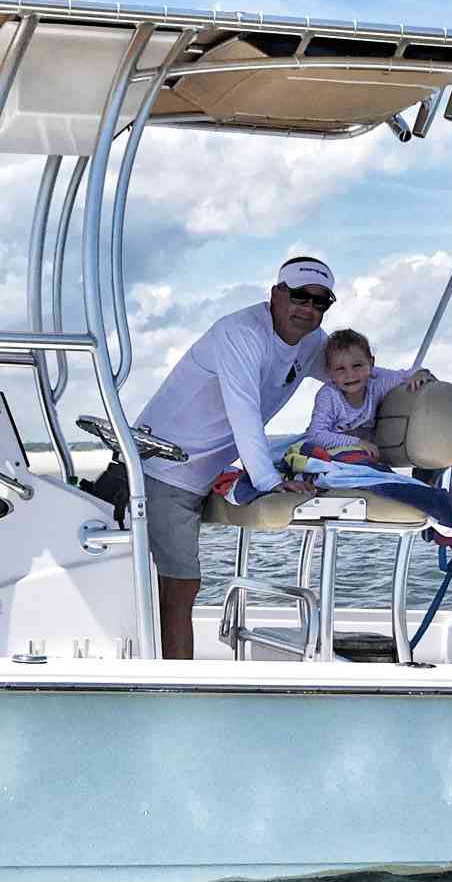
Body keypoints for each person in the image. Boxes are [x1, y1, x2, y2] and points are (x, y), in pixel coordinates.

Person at [136, 257, 336, 660]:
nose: (309, 309)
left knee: (175, 588)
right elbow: (243, 411)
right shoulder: (242, 334)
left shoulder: (313, 342)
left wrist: (409, 380)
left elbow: (352, 374)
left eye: (321, 303)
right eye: (300, 297)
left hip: (201, 473)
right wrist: (266, 481)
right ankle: (175, 695)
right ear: (277, 294)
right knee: (178, 587)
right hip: (161, 470)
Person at [304, 328, 434, 454]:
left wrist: (421, 374)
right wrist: (356, 442)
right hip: (328, 453)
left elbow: (409, 374)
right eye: (340, 369)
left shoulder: (378, 383)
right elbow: (315, 435)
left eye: (357, 365)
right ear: (329, 372)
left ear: (371, 364)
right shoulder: (329, 395)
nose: (350, 374)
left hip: (360, 455)